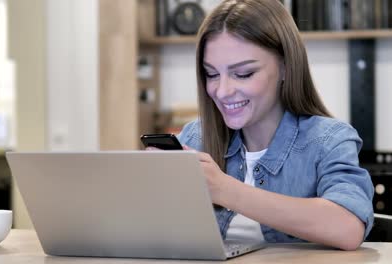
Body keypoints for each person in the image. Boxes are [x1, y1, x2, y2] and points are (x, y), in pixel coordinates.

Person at [160, 0, 374, 250]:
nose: (222, 91)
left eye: (243, 74)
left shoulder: (328, 140)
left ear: (285, 67)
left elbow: (348, 228)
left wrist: (225, 190)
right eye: (212, 74)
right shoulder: (194, 138)